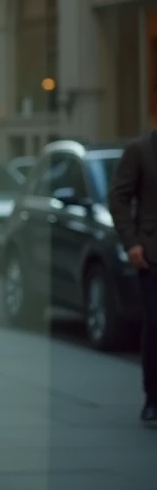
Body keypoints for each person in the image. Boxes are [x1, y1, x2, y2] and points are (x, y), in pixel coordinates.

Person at [109, 131, 157, 426]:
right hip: (152, 254)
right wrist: (131, 241)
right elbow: (118, 197)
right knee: (156, 324)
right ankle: (153, 397)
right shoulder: (140, 150)